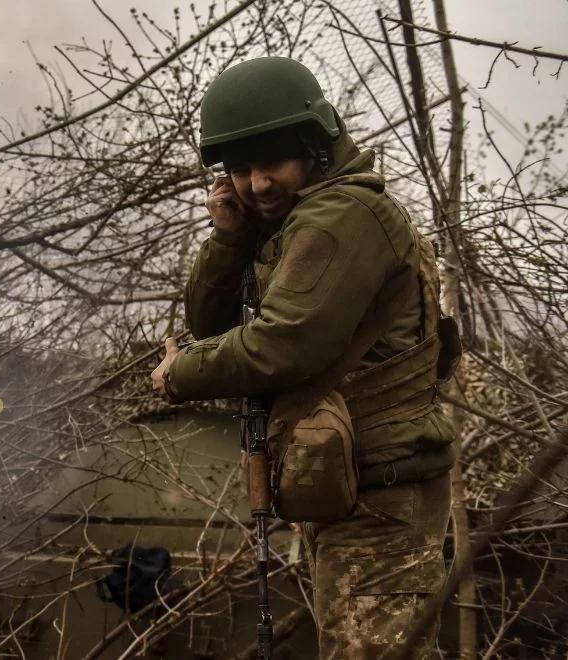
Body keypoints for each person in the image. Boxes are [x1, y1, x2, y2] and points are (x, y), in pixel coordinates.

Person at [150, 57, 455, 659]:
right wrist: (230, 240)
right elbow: (210, 327)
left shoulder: (343, 216)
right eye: (239, 168)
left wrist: (180, 372)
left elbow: (282, 345)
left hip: (386, 492)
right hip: (350, 488)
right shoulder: (292, 225)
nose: (257, 184)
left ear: (315, 147)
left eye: (272, 162)